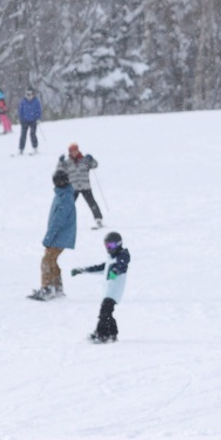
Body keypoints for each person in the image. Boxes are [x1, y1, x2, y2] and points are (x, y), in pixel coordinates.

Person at [71, 232, 131, 343]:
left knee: (104, 312)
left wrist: (115, 271)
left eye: (111, 246)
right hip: (108, 291)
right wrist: (82, 270)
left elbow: (122, 265)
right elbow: (99, 268)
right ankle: (112, 333)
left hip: (114, 292)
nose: (108, 248)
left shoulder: (122, 256)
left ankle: (102, 334)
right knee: (107, 313)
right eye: (106, 246)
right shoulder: (111, 259)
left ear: (118, 244)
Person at [31, 170, 77, 300]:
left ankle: (47, 288)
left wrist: (48, 238)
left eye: (61, 181)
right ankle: (57, 287)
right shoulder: (62, 194)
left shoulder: (65, 197)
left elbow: (58, 221)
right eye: (57, 181)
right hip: (60, 235)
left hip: (60, 236)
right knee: (52, 260)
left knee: (46, 260)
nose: (59, 183)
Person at [58, 143, 103, 228]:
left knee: (92, 203)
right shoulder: (67, 163)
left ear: (78, 150)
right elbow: (60, 171)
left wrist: (91, 159)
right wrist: (60, 162)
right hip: (73, 187)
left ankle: (98, 219)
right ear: (70, 152)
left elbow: (94, 165)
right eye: (72, 151)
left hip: (85, 186)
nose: (74, 152)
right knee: (69, 205)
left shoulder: (84, 161)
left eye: (75, 150)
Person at [18, 88, 42, 155]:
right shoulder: (23, 101)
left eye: (30, 94)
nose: (28, 96)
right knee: (23, 135)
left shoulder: (36, 101)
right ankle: (21, 149)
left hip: (33, 121)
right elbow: (20, 110)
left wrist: (38, 118)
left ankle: (35, 148)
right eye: (27, 94)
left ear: (33, 94)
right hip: (24, 121)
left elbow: (38, 111)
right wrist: (20, 118)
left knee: (33, 134)